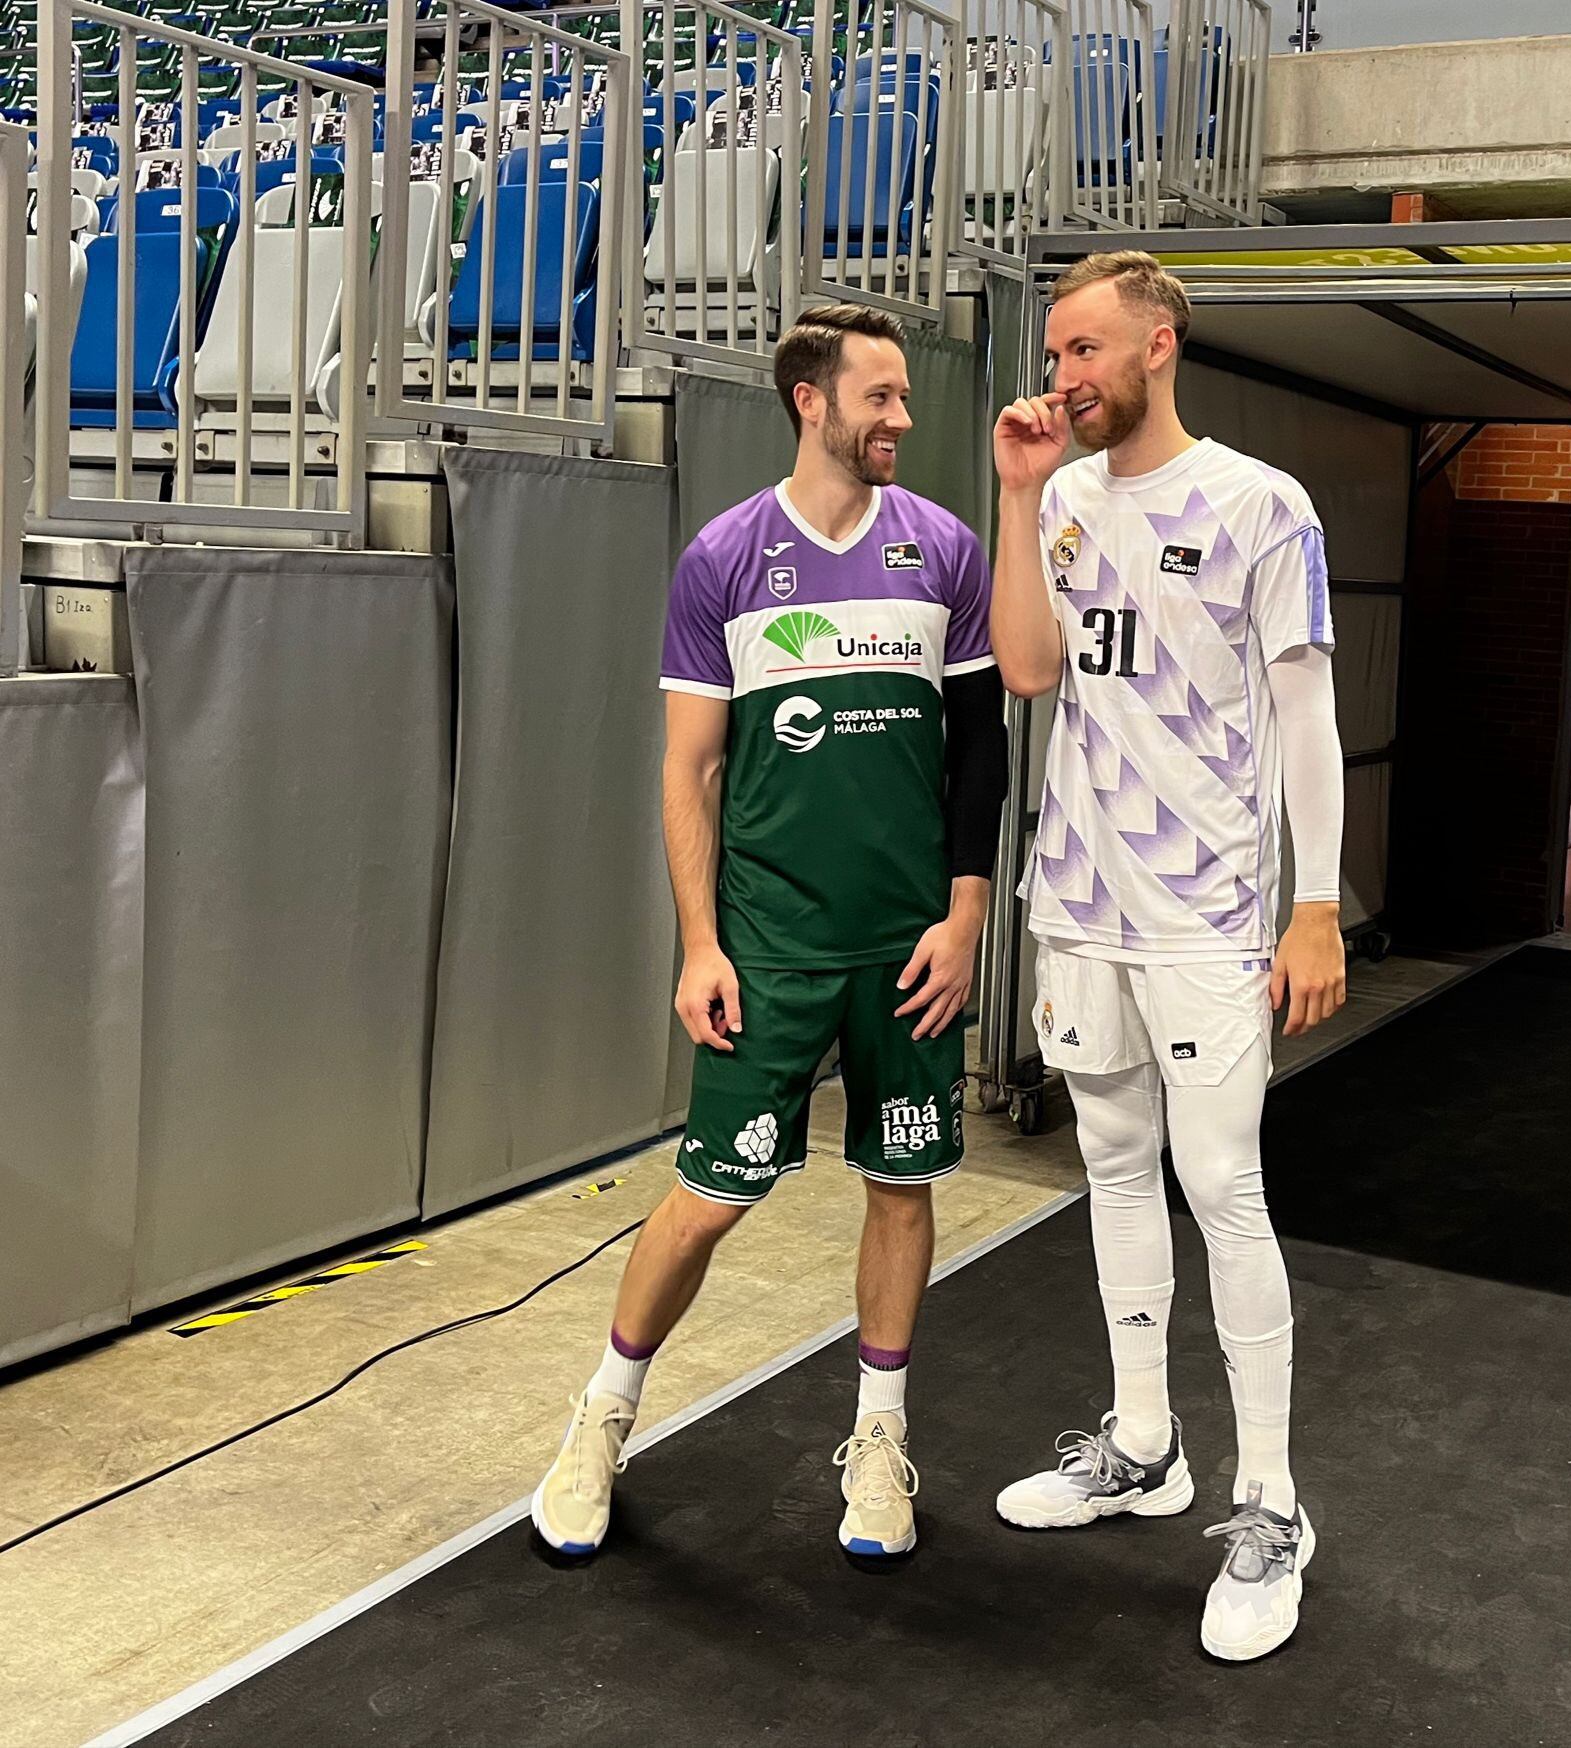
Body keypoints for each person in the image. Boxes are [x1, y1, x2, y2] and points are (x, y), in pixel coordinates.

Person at [530, 304, 1007, 1564]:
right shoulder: (726, 559)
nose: (902, 417)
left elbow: (979, 756)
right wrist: (699, 942)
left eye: (904, 397)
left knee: (900, 1189)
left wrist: (963, 916)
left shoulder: (946, 551)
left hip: (908, 949)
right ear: (813, 399)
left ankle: (880, 1442)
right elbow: (687, 770)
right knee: (704, 1199)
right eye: (883, 396)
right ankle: (601, 1417)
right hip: (769, 946)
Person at [987, 250, 1349, 1662]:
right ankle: (1145, 1446)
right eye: (1056, 353)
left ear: (1159, 344)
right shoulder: (1062, 499)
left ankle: (1272, 1504)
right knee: (1113, 1168)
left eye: (1086, 350)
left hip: (1207, 914)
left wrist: (1315, 904)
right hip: (1079, 904)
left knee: (1225, 1189)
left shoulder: (1264, 505)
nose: (1064, 375)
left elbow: (1306, 717)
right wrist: (1017, 501)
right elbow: (1027, 672)